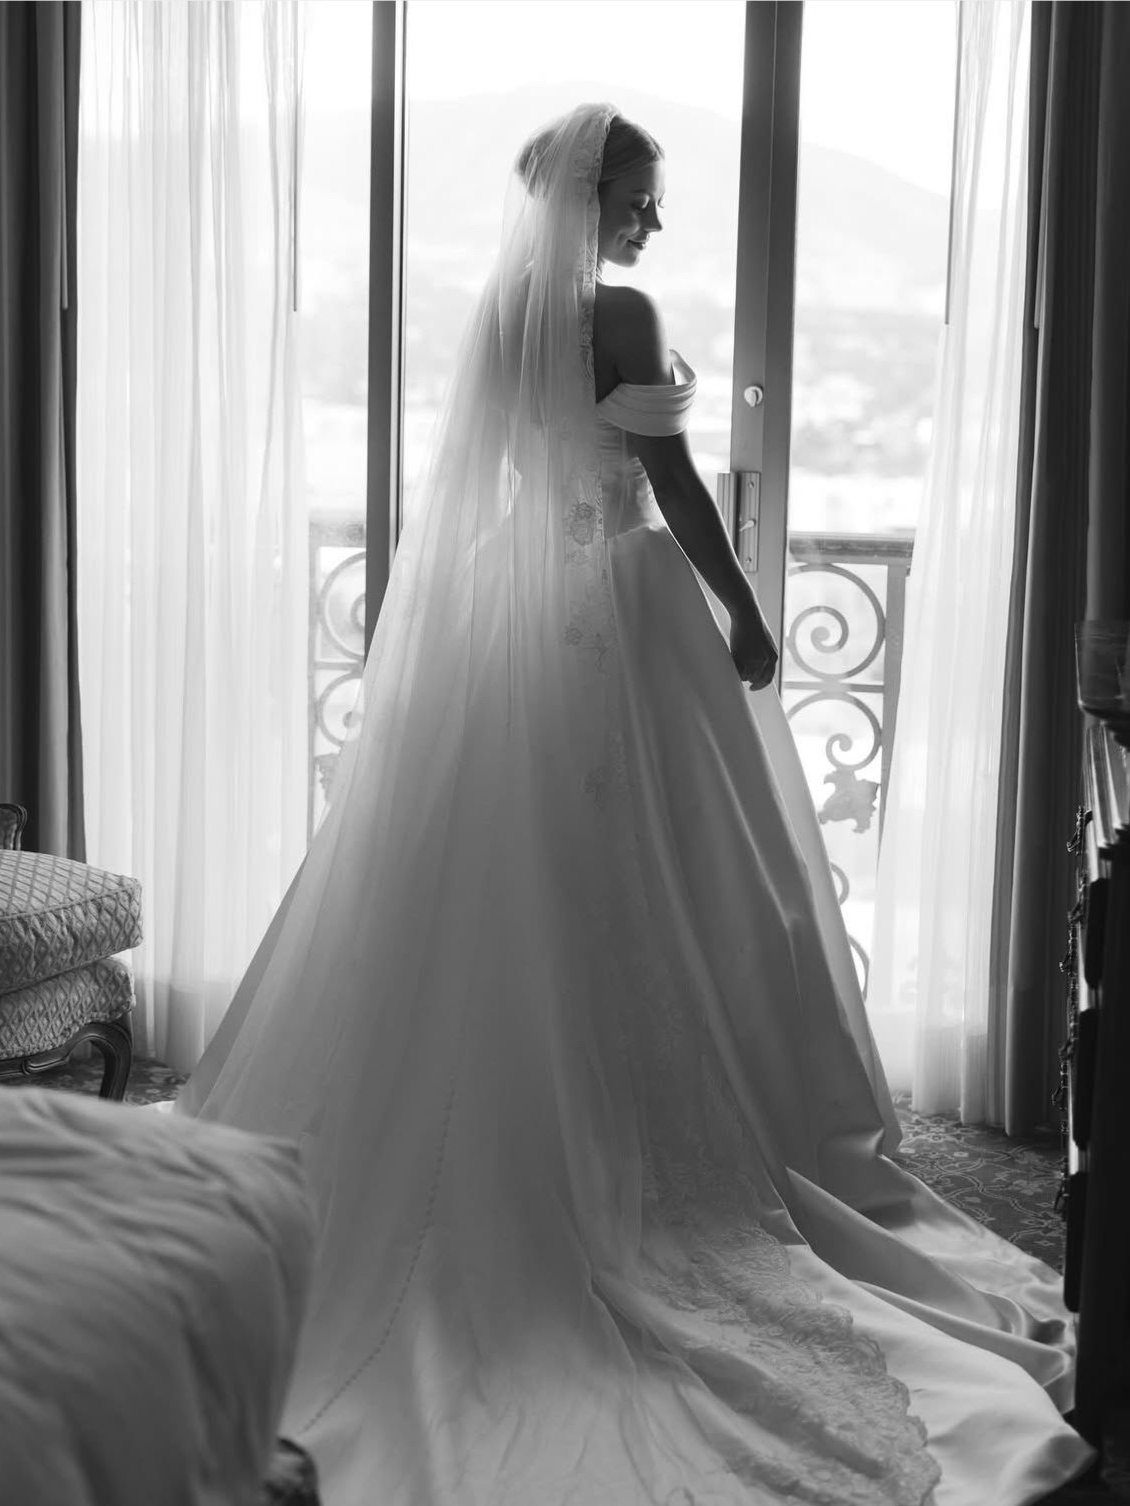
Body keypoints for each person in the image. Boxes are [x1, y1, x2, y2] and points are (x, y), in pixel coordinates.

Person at [176, 103, 1096, 1505]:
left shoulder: (502, 314)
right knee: (662, 874)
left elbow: (497, 482)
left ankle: (504, 1114)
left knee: (515, 883)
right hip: (617, 605)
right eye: (641, 198)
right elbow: (667, 480)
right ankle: (647, 1140)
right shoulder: (620, 311)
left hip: (520, 618)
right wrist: (742, 606)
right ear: (591, 195)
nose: (653, 221)